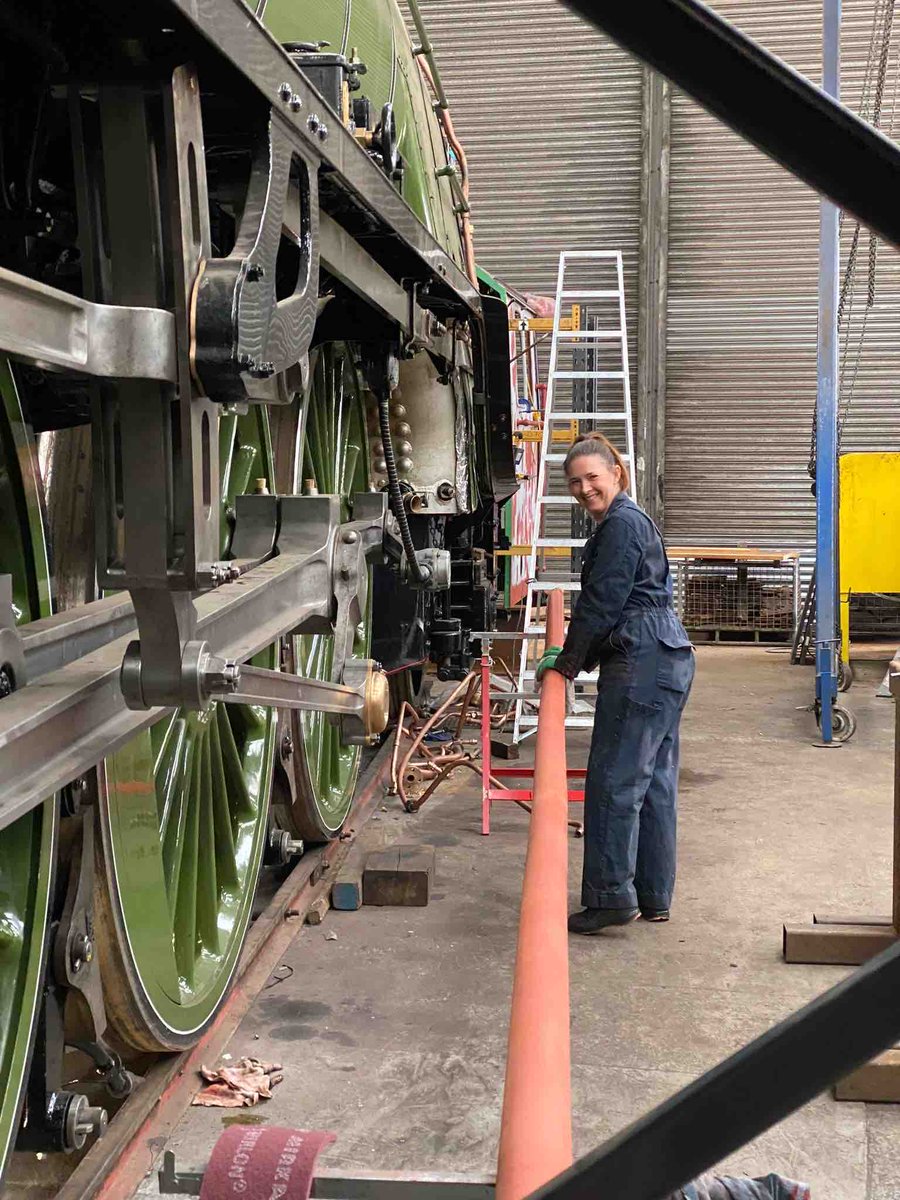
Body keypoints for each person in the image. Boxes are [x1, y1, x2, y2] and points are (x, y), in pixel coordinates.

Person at [536, 433, 695, 935]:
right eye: (574, 482)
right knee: (654, 783)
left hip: (643, 657)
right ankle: (652, 894)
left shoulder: (621, 525)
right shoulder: (629, 522)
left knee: (615, 779)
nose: (584, 489)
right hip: (667, 654)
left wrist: (566, 662)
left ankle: (609, 897)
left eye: (592, 478)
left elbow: (603, 602)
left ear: (616, 475)